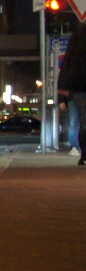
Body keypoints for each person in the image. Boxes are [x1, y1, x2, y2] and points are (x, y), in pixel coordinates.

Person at [57, 21, 86, 165]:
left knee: (81, 122)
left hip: (77, 88)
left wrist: (62, 90)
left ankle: (83, 153)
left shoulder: (75, 41)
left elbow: (67, 64)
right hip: (78, 87)